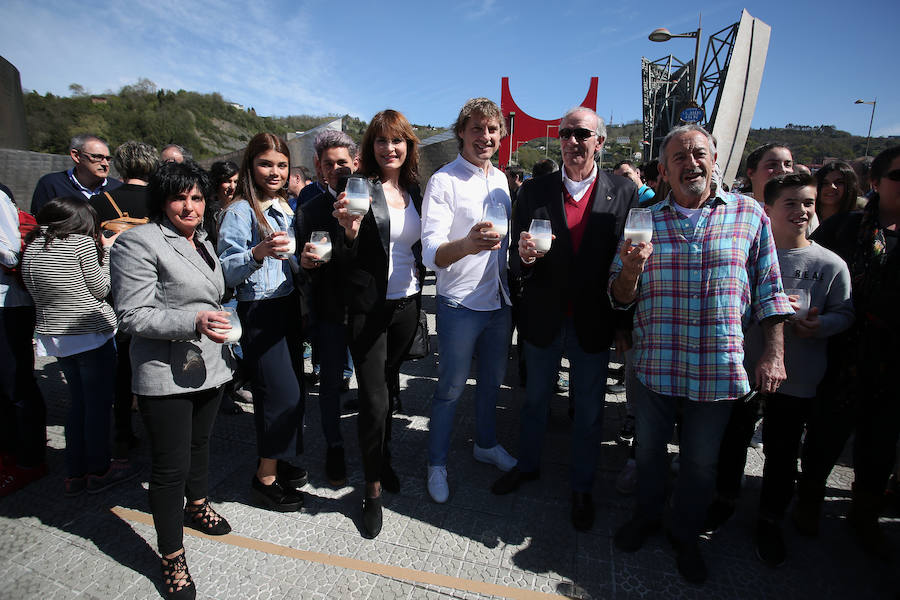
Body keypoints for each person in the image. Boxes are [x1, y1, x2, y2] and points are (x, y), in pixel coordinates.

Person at [608, 125, 792, 584]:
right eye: (678, 157)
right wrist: (630, 269)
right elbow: (619, 297)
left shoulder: (750, 214)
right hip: (656, 364)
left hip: (718, 368)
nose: (690, 163)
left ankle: (684, 533)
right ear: (665, 172)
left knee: (700, 463)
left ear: (714, 159)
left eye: (698, 154)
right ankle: (647, 516)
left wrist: (774, 354)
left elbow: (771, 291)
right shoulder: (645, 218)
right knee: (648, 454)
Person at [492, 108, 638, 532]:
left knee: (590, 411)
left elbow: (627, 262)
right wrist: (522, 257)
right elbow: (517, 264)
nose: (574, 141)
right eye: (567, 134)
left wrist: (624, 321)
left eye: (583, 134)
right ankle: (529, 465)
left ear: (600, 142)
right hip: (543, 315)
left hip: (594, 318)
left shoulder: (624, 192)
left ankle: (582, 486)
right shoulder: (534, 190)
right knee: (535, 400)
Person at [111, 161, 234, 600]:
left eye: (197, 197)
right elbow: (132, 314)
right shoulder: (138, 242)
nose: (190, 205)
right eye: (180, 197)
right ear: (163, 201)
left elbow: (211, 289)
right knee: (169, 467)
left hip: (209, 363)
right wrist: (194, 320)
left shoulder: (202, 240)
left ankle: (197, 505)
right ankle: (171, 555)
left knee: (200, 444)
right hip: (164, 371)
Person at [739, 173, 853, 567]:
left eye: (808, 203)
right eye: (791, 203)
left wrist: (821, 325)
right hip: (744, 368)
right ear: (767, 210)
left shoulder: (829, 264)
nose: (802, 211)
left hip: (799, 376)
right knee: (733, 441)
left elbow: (846, 313)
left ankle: (770, 519)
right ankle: (723, 502)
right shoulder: (748, 254)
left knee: (782, 452)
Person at [799, 145, 900, 556]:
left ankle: (866, 513)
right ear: (876, 182)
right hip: (841, 352)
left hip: (893, 363)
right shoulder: (844, 227)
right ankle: (807, 502)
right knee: (824, 436)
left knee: (879, 445)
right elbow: (809, 266)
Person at [329, 109, 425, 538]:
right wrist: (348, 233)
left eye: (399, 140)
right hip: (369, 310)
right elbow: (342, 261)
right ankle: (370, 492)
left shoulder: (416, 190)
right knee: (372, 400)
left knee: (389, 388)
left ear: (409, 146)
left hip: (406, 306)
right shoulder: (358, 188)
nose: (391, 148)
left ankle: (382, 460)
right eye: (383, 141)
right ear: (371, 147)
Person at [420, 97, 516, 504]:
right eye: (477, 128)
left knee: (492, 384)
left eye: (492, 130)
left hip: (499, 301)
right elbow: (431, 253)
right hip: (459, 303)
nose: (486, 136)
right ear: (461, 132)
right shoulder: (444, 181)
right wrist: (468, 245)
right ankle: (436, 463)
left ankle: (485, 444)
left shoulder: (502, 180)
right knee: (450, 388)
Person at [21, 197, 138, 497]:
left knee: (78, 404)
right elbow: (101, 288)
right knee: (98, 406)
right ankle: (99, 470)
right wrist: (108, 251)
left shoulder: (33, 246)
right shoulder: (81, 245)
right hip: (91, 333)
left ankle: (75, 472)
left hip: (55, 336)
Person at [218, 133, 308, 512]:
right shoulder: (239, 211)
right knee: (280, 396)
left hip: (290, 306)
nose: (275, 172)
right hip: (260, 310)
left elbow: (299, 259)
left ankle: (282, 460)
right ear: (250, 167)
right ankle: (264, 480)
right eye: (266, 164)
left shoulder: (289, 207)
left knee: (294, 392)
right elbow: (224, 270)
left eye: (282, 165)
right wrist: (257, 252)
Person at [88, 140, 158, 459]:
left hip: (118, 288)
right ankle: (157, 427)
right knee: (154, 359)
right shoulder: (161, 201)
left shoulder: (101, 201)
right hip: (157, 290)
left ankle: (122, 430)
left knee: (122, 365)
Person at [296, 130, 358, 487]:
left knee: (374, 383)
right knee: (330, 383)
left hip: (367, 309)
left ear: (356, 164)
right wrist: (305, 265)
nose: (337, 170)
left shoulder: (372, 202)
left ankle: (377, 446)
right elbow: (304, 266)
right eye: (329, 164)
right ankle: (334, 444)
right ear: (320, 168)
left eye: (343, 163)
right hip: (331, 310)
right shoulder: (309, 210)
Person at [0, 188, 47, 497]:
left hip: (8, 305)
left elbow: (11, 252)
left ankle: (29, 459)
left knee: (14, 382)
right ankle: (9, 454)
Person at [31, 134, 122, 214]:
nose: (105, 164)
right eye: (97, 157)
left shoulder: (118, 189)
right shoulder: (52, 184)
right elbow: (38, 223)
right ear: (76, 156)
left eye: (108, 159)